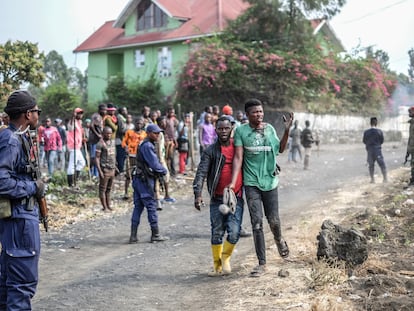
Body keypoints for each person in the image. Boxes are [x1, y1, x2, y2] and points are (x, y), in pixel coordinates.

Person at [228, 98, 292, 277]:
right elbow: (238, 158)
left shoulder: (270, 129)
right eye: (255, 112)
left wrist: (286, 131)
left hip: (270, 182)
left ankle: (279, 239)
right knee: (256, 223)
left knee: (274, 220)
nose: (259, 114)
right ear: (247, 115)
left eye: (261, 111)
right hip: (251, 183)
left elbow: (280, 149)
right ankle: (262, 263)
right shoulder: (241, 131)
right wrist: (233, 183)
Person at [0, 90, 47, 309]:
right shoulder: (11, 140)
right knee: (21, 285)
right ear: (27, 114)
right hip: (19, 220)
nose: (38, 115)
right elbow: (2, 182)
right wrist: (33, 187)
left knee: (9, 286)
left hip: (19, 218)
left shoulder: (18, 136)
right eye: (36, 111)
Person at [193, 116, 244, 276]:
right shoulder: (210, 151)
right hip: (216, 199)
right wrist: (198, 194)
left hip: (235, 197)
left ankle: (225, 257)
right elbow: (201, 172)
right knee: (217, 232)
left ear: (231, 129)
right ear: (216, 130)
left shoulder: (239, 147)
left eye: (226, 128)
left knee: (234, 231)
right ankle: (217, 266)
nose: (223, 131)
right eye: (220, 128)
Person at [129, 124, 169, 244]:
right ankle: (155, 234)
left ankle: (133, 236)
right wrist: (164, 171)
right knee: (151, 206)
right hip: (144, 181)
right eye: (155, 133)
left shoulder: (145, 144)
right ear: (149, 133)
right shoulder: (147, 146)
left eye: (158, 133)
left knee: (138, 207)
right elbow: (154, 165)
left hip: (138, 178)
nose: (157, 135)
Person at [122, 117, 147, 199]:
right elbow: (123, 142)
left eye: (140, 123)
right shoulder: (129, 132)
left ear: (143, 124)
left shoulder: (144, 134)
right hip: (131, 155)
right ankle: (126, 192)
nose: (139, 125)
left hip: (140, 156)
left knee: (139, 174)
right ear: (135, 123)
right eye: (137, 123)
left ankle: (138, 192)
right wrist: (125, 147)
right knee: (128, 175)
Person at [96, 127, 117, 211]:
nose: (109, 135)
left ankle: (108, 205)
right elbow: (97, 158)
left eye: (110, 133)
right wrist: (100, 170)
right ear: (103, 134)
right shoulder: (100, 144)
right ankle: (104, 207)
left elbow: (113, 155)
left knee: (109, 189)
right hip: (105, 169)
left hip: (112, 168)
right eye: (107, 133)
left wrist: (116, 166)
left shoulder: (112, 142)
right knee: (102, 189)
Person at [362, 117, 387, 183]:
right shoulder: (379, 132)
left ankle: (372, 179)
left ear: (370, 123)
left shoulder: (366, 132)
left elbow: (364, 141)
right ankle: (385, 179)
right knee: (382, 164)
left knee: (371, 165)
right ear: (376, 123)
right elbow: (382, 141)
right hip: (377, 150)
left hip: (370, 151)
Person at [67, 108, 86, 186]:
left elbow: (79, 134)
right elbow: (70, 129)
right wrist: (72, 117)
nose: (81, 115)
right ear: (75, 114)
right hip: (73, 146)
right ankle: (70, 183)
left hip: (78, 146)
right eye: (79, 113)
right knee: (72, 165)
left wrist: (83, 139)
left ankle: (76, 178)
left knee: (82, 163)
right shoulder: (72, 122)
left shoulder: (79, 122)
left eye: (81, 113)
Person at [407, 107, 414, 185]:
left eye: (410, 112)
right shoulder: (411, 123)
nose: (409, 113)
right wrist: (408, 150)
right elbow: (410, 138)